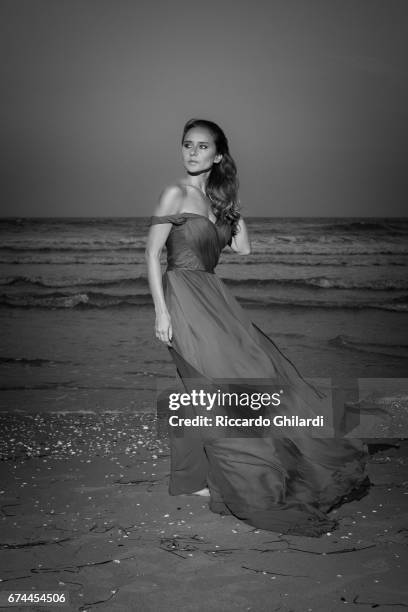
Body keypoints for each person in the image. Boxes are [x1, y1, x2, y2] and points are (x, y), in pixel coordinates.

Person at [145, 118, 369, 537]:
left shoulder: (215, 199)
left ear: (218, 155)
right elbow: (151, 254)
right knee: (205, 381)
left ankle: (202, 476)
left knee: (247, 373)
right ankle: (204, 477)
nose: (192, 152)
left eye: (202, 146)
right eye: (187, 145)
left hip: (216, 298)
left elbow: (244, 246)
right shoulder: (174, 192)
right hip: (183, 297)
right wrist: (161, 310)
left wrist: (230, 202)